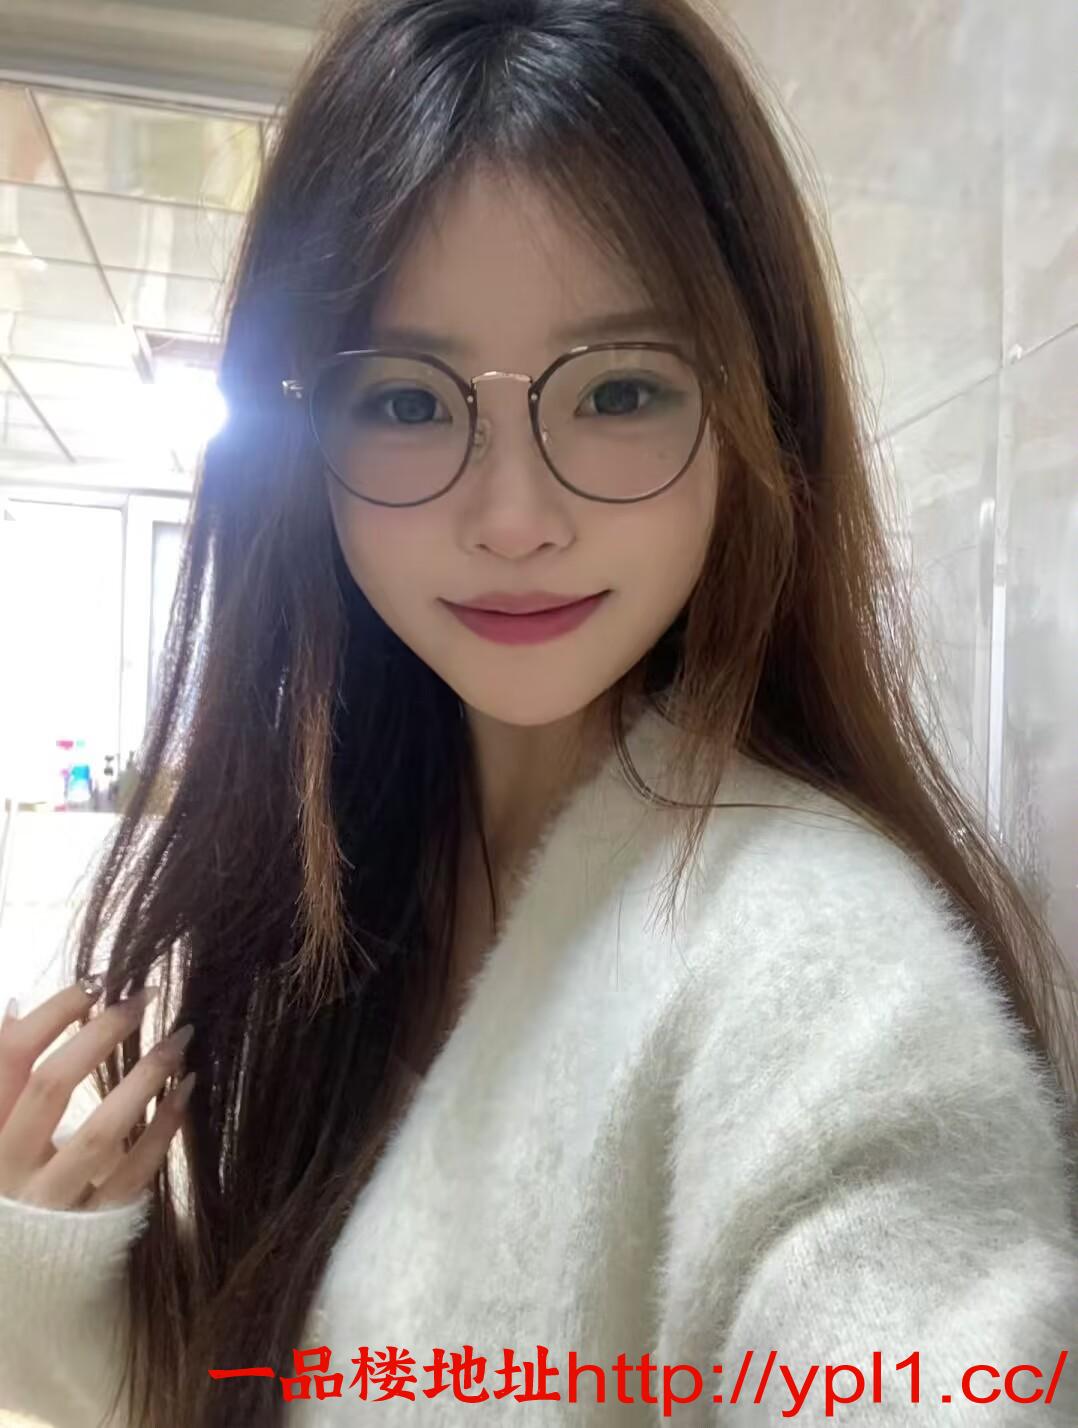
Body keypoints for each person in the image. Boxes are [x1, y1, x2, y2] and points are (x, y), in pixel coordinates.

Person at [0, 1, 1075, 1424]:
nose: (513, 518)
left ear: (758, 412)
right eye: (405, 403)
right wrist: (46, 1285)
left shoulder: (825, 974)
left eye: (619, 390)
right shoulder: (338, 890)